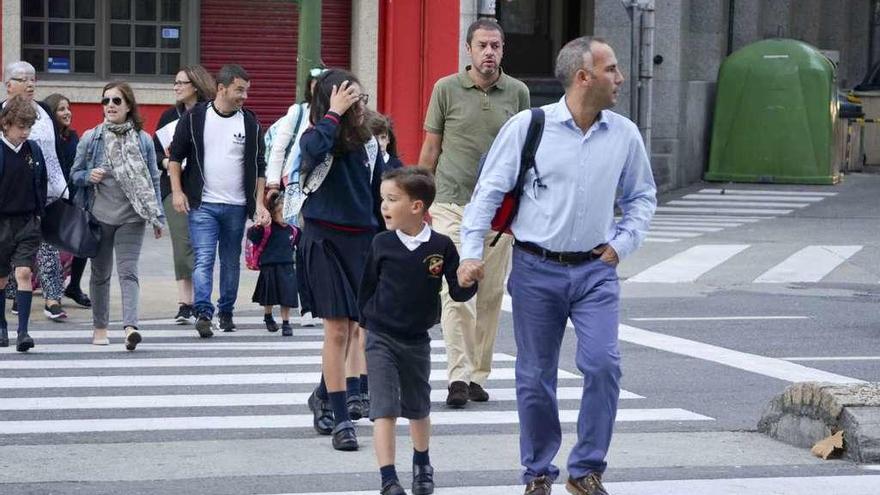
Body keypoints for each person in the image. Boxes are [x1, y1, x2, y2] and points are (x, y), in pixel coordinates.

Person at [458, 37, 657, 495]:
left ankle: (586, 470)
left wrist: (622, 243)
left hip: (595, 271)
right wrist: (471, 253)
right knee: (534, 376)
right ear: (583, 76)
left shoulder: (624, 134)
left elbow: (641, 196)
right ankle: (538, 473)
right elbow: (488, 191)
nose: (620, 78)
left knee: (603, 365)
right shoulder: (530, 127)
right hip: (536, 268)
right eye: (611, 69)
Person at [418, 19, 530, 408]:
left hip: (499, 215)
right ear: (468, 48)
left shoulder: (517, 93)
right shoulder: (445, 89)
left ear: (502, 50)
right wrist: (419, 200)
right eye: (482, 45)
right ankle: (458, 377)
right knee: (457, 291)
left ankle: (478, 374)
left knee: (490, 294)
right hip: (451, 204)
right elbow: (431, 149)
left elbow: (525, 155)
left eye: (496, 46)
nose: (489, 52)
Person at [359, 167, 476, 495]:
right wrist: (364, 326)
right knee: (383, 408)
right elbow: (366, 289)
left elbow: (458, 291)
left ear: (417, 207)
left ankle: (422, 463)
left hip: (416, 340)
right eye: (382, 199)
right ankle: (388, 479)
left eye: (391, 199)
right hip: (381, 336)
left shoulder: (440, 246)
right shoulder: (381, 243)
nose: (383, 206)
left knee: (417, 406)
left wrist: (468, 280)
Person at [299, 68, 383, 451]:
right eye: (354, 99)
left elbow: (383, 196)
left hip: (362, 242)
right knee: (336, 329)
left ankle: (322, 394)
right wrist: (333, 114)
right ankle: (341, 420)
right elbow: (310, 151)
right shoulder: (318, 136)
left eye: (361, 99)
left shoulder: (370, 145)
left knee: (352, 330)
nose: (360, 106)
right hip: (324, 239)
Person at [168, 64, 271, 338]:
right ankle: (203, 311)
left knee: (230, 260)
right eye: (239, 90)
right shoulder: (194, 118)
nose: (244, 96)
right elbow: (175, 158)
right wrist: (177, 192)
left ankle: (226, 311)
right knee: (203, 258)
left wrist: (259, 203)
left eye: (247, 91)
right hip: (203, 203)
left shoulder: (250, 121)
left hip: (237, 206)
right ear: (221, 88)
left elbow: (260, 167)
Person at [70, 82, 164, 350]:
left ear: (128, 106)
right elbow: (73, 174)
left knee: (128, 272)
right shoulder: (92, 138)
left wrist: (157, 216)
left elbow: (153, 179)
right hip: (98, 217)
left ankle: (130, 328)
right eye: (105, 101)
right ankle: (100, 327)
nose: (110, 105)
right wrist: (89, 176)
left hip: (132, 217)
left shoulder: (143, 139)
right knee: (100, 274)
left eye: (116, 101)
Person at [3, 62, 69, 321]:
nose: (30, 84)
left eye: (33, 79)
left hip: (47, 191)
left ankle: (53, 299)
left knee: (48, 246)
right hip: (10, 196)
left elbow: (56, 153)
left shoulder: (44, 114)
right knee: (11, 249)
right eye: (23, 79)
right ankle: (19, 297)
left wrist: (63, 186)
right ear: (9, 84)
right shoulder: (1, 114)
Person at [154, 65, 216, 325]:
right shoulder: (169, 116)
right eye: (175, 82)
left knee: (202, 246)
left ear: (196, 86)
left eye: (182, 83)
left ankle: (202, 301)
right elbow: (156, 155)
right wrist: (169, 163)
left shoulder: (211, 115)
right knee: (182, 244)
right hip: (173, 186)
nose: (177, 87)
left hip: (205, 186)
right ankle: (185, 303)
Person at [264, 66, 324, 329]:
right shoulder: (298, 112)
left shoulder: (338, 117)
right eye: (314, 83)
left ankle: (318, 300)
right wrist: (273, 182)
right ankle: (306, 306)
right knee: (299, 245)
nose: (318, 88)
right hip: (295, 186)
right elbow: (279, 148)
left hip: (323, 187)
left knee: (317, 246)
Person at [0, 96, 47, 352]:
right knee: (1, 277)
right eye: (20, 127)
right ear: (6, 124)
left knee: (24, 273)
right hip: (2, 221)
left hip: (27, 221)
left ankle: (23, 332)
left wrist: (40, 213)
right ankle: (2, 326)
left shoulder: (33, 150)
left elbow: (42, 182)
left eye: (28, 127)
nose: (25, 132)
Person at [44, 93, 91, 309]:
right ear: (51, 114)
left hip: (74, 195)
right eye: (61, 109)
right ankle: (47, 291)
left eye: (68, 108)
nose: (67, 112)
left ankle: (74, 286)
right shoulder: (46, 138)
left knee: (83, 240)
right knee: (47, 247)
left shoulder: (73, 136)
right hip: (52, 197)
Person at [249, 191, 298, 336]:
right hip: (269, 265)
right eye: (282, 210)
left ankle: (286, 322)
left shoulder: (293, 230)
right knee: (268, 296)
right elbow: (253, 237)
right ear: (274, 210)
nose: (285, 215)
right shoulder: (267, 228)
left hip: (287, 266)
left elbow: (301, 243)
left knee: (287, 296)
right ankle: (268, 316)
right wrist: (259, 225)